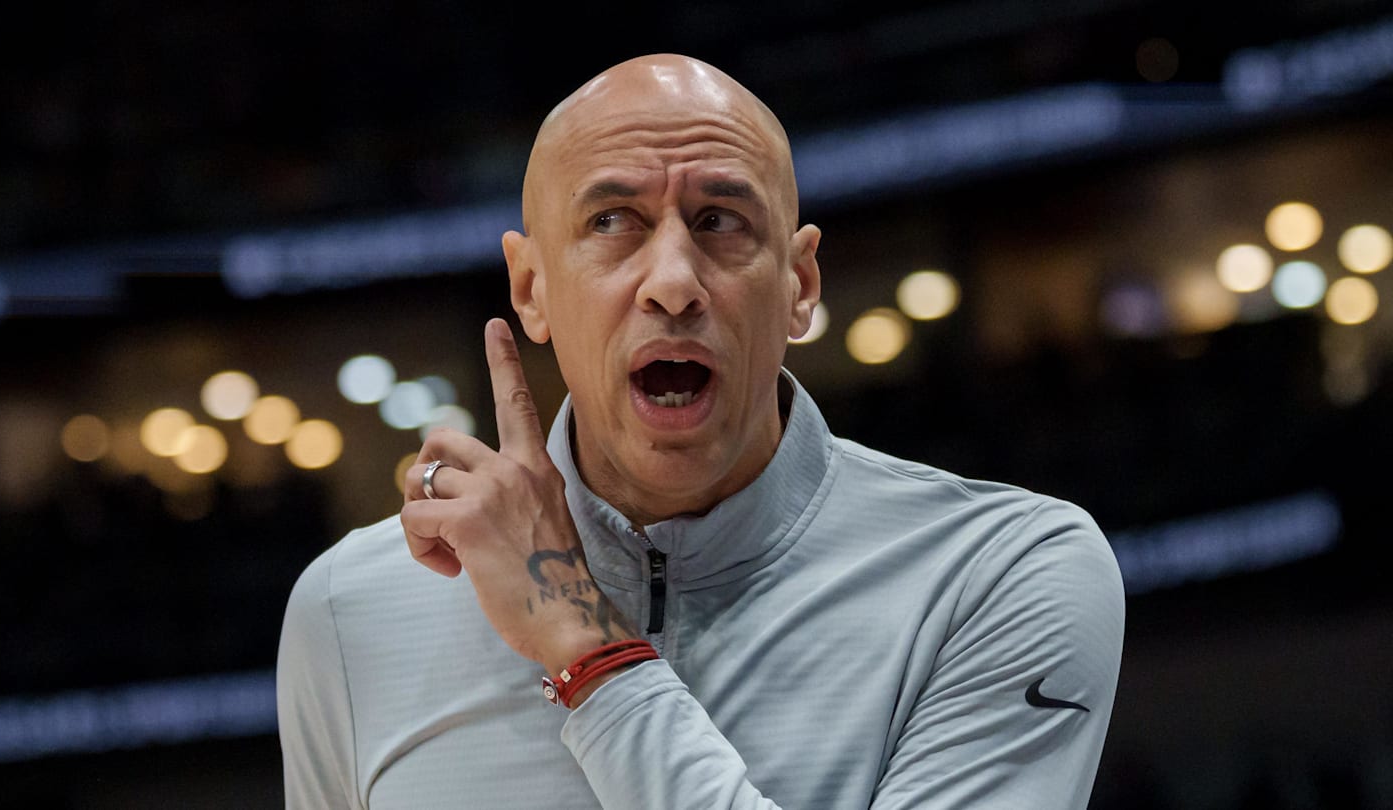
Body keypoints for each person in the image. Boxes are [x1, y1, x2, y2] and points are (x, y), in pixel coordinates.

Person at [276, 53, 1124, 809]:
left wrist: (581, 642)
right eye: (612, 222)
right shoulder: (348, 611)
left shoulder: (1003, 574)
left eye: (721, 220)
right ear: (530, 289)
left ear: (799, 283)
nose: (674, 282)